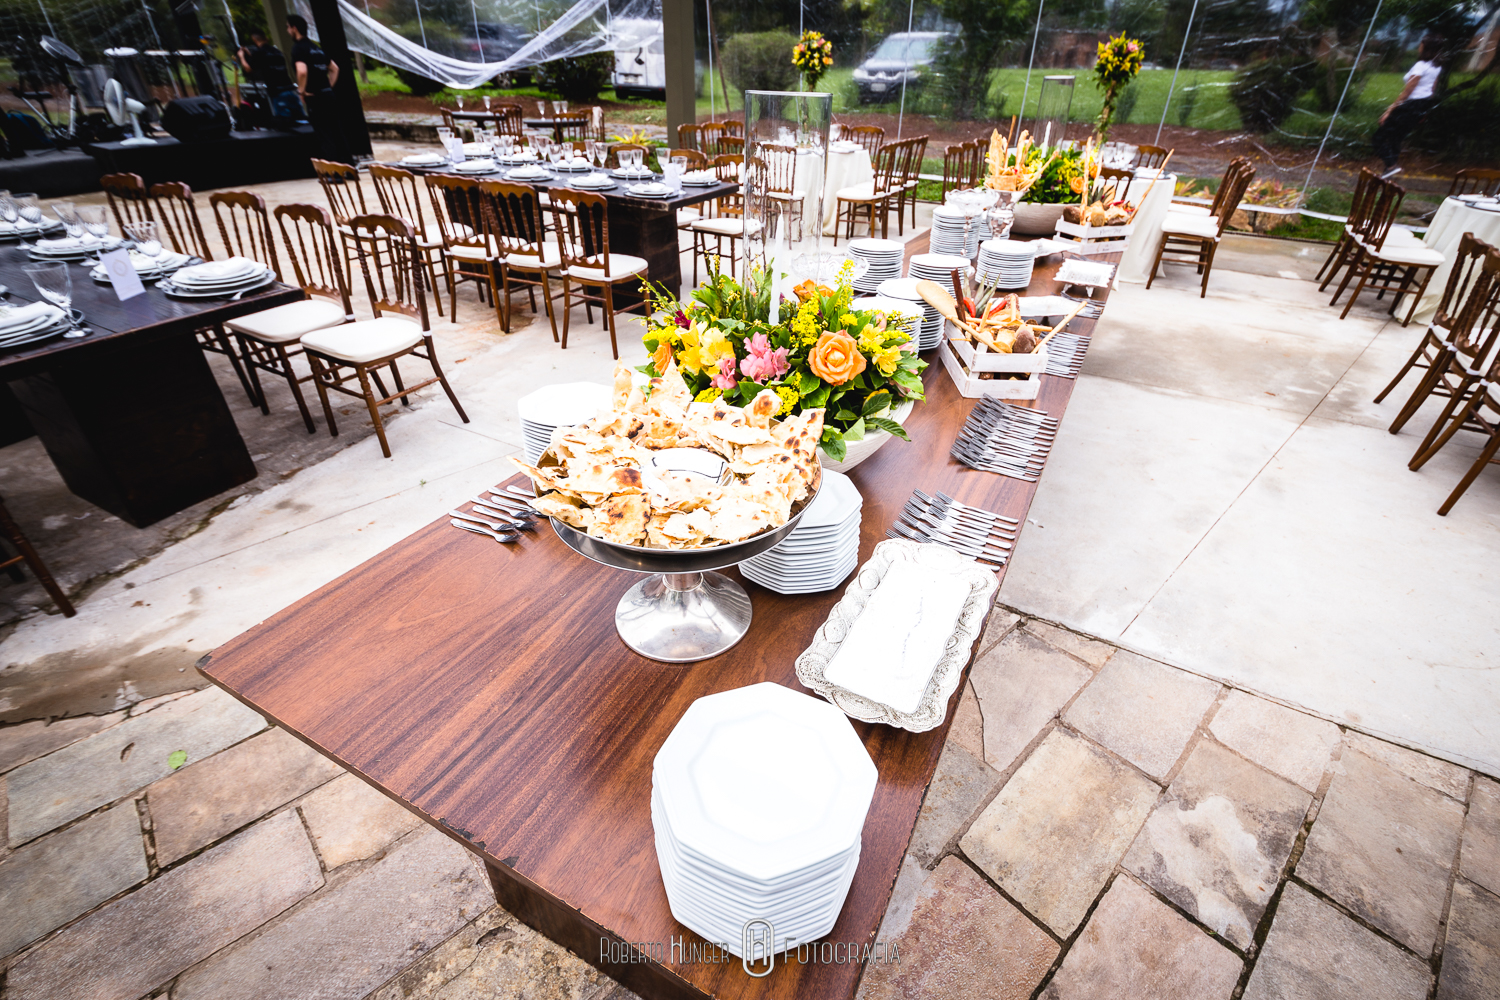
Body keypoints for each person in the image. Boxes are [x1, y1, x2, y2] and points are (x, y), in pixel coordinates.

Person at [1373, 36, 1444, 180]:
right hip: (1422, 105)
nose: (1419, 47)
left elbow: (1408, 91)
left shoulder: (1420, 66)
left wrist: (1389, 111)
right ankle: (1388, 173)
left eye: (1421, 45)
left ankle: (1391, 166)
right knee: (1396, 138)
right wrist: (1425, 111)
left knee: (1378, 138)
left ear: (1426, 48)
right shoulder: (1436, 66)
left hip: (1410, 105)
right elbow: (1432, 89)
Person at [287, 14, 351, 164]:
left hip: (315, 97)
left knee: (324, 134)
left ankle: (334, 172)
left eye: (288, 27)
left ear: (294, 28)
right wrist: (328, 86)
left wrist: (301, 91)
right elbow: (334, 68)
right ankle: (348, 168)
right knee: (337, 131)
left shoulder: (298, 49)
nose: (287, 31)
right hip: (328, 95)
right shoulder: (316, 48)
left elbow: (302, 71)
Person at [237, 30, 302, 123]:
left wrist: (242, 56)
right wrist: (250, 55)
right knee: (301, 120)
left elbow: (248, 69)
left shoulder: (259, 53)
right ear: (266, 39)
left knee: (286, 122)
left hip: (277, 92)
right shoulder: (277, 52)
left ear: (254, 39)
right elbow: (264, 62)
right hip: (290, 89)